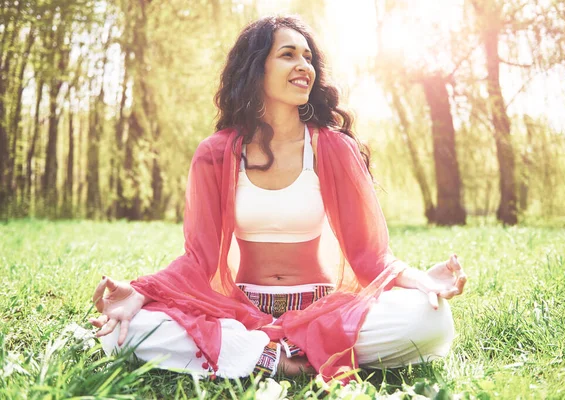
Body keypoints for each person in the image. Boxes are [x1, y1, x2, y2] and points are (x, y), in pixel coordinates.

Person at [90, 15, 467, 381]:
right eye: (288, 55)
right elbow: (198, 258)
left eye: (308, 57)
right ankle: (279, 358)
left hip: (320, 308)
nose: (304, 65)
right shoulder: (215, 153)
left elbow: (369, 255)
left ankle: (265, 353)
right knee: (119, 331)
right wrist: (141, 293)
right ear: (256, 68)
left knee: (431, 318)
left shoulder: (332, 146)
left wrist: (417, 279)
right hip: (241, 310)